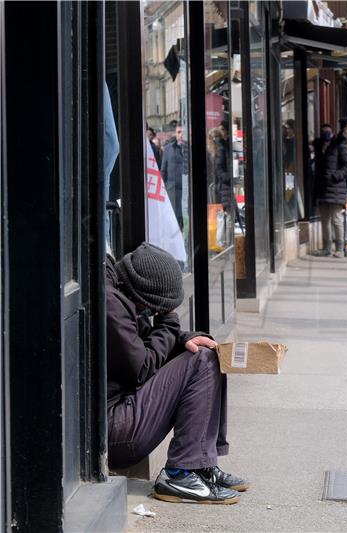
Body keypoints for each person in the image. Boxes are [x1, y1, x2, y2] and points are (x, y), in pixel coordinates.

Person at [106, 243, 247, 504]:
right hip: (113, 432)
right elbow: (140, 368)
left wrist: (182, 337)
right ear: (142, 295)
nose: (154, 314)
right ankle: (180, 473)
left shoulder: (119, 294)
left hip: (120, 421)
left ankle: (200, 463)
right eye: (154, 308)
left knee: (207, 353)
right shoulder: (111, 304)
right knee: (202, 361)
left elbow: (139, 342)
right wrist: (169, 324)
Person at [313, 124, 347, 257]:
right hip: (322, 188)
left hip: (336, 188)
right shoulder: (319, 146)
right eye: (323, 132)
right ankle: (326, 248)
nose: (325, 134)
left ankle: (340, 248)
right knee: (324, 220)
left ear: (333, 132)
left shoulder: (340, 146)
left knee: (336, 219)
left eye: (328, 131)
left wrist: (335, 176)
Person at [161, 125, 188, 230]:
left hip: (185, 187)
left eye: (182, 132)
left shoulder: (188, 149)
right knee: (173, 216)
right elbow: (163, 168)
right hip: (172, 187)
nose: (180, 135)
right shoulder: (169, 149)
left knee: (184, 214)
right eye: (178, 132)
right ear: (176, 134)